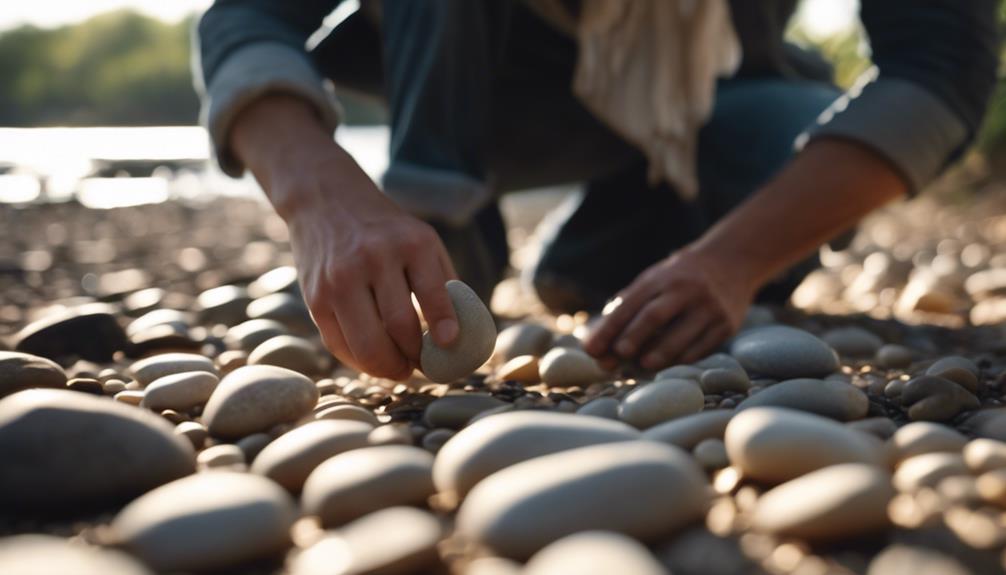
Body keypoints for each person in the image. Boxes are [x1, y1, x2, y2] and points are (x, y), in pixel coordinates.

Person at [194, 0, 998, 380]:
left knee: (792, 145)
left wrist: (733, 261)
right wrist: (324, 205)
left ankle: (601, 254)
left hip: (705, 99)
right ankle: (443, 219)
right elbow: (244, 18)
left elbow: (942, 68)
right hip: (477, 79)